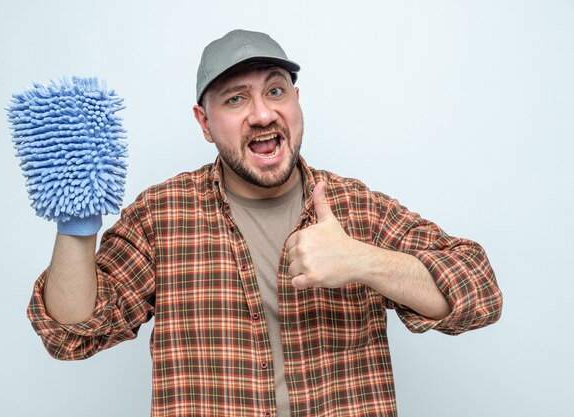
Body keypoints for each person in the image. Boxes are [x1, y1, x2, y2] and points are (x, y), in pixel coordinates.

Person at [27, 29, 503, 417]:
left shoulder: (356, 207)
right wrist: (76, 228)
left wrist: (366, 261)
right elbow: (71, 333)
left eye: (275, 90)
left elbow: (479, 291)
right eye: (235, 99)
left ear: (296, 101)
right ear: (203, 121)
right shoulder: (162, 214)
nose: (261, 113)